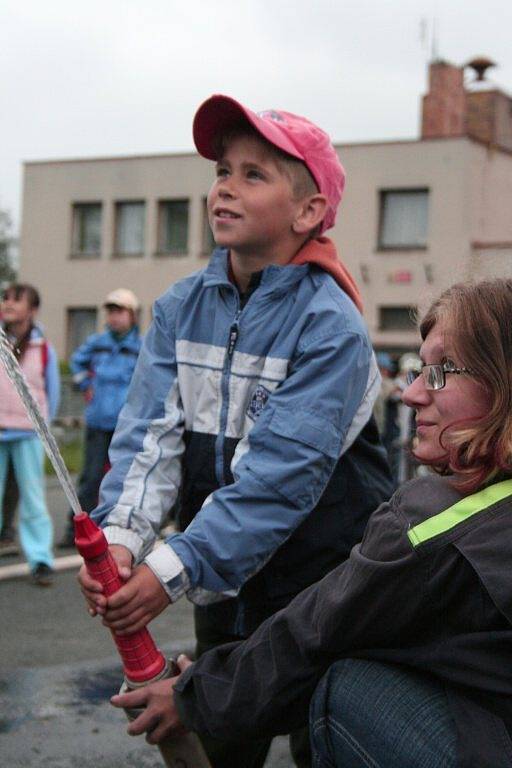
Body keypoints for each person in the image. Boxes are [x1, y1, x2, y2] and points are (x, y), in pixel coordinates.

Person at [80, 96, 393, 768]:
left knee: (323, 731)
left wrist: (171, 571)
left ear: (309, 212)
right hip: (222, 578)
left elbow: (279, 482)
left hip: (320, 581)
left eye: (255, 174)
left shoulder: (331, 327)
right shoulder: (177, 307)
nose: (224, 185)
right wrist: (124, 543)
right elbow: (148, 442)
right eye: (223, 169)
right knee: (224, 730)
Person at [114, 278, 512, 768]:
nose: (409, 394)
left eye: (440, 372)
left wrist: (192, 696)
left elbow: (319, 631)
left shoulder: (436, 519)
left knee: (345, 676)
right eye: (419, 370)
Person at [59, 289, 141, 547]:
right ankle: (75, 531)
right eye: (111, 312)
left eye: (120, 311)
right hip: (97, 420)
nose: (114, 317)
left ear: (132, 316)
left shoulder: (141, 348)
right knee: (90, 478)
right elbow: (76, 363)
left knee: (122, 479)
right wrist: (85, 385)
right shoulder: (97, 343)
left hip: (124, 425)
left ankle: (116, 530)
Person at [0, 283, 60, 585]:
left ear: (32, 310)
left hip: (28, 433)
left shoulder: (43, 348)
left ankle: (40, 559)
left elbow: (52, 391)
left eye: (17, 300)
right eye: (5, 298)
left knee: (34, 498)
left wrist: (43, 426)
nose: (8, 304)